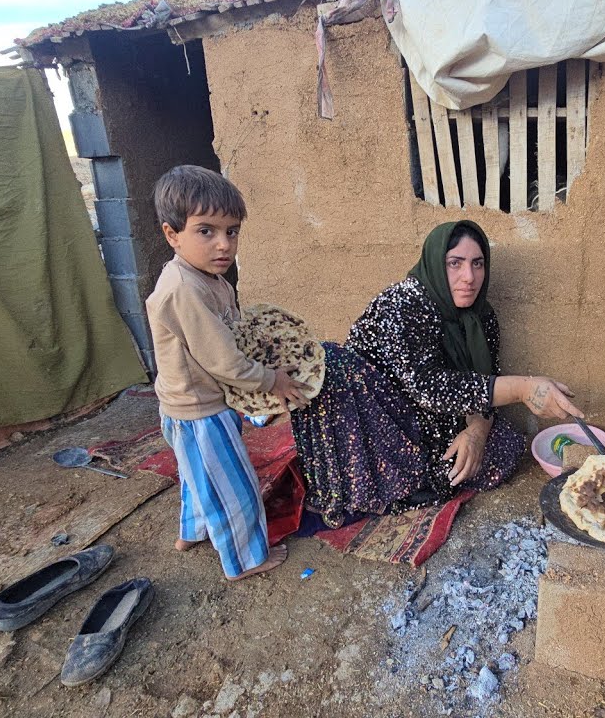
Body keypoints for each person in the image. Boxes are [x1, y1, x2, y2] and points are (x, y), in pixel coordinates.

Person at [292, 220, 582, 527]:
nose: (469, 277)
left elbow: (483, 383)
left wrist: (476, 433)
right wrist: (525, 389)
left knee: (506, 446)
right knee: (332, 360)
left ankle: (413, 475)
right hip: (374, 417)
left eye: (477, 264)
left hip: (431, 417)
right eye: (454, 263)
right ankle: (379, 477)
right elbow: (429, 388)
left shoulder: (481, 318)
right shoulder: (401, 306)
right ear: (434, 263)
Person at [145, 165, 311, 580]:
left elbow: (234, 334)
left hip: (187, 404)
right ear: (172, 234)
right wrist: (274, 381)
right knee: (235, 489)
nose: (224, 244)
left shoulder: (208, 278)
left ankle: (191, 533)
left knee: (197, 476)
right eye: (206, 231)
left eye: (232, 231)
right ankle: (245, 560)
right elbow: (225, 361)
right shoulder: (184, 290)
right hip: (201, 410)